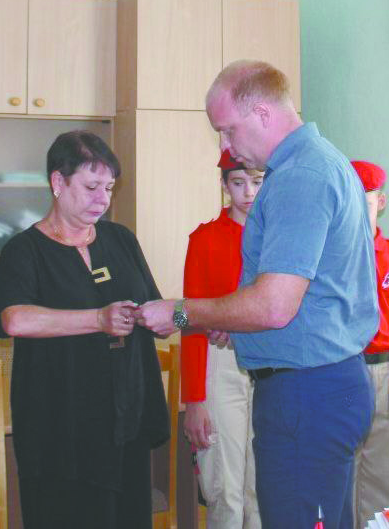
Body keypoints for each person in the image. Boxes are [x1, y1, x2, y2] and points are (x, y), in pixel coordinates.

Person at [136, 60, 378, 529]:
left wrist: (181, 313)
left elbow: (273, 305)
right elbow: (313, 295)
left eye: (227, 130)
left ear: (263, 113)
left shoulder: (300, 177)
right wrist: (238, 324)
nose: (224, 147)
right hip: (323, 385)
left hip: (307, 393)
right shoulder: (322, 162)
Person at [0, 130, 169, 529]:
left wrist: (189, 320)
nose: (102, 199)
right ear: (58, 181)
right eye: (91, 187)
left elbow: (157, 310)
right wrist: (98, 319)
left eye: (108, 188)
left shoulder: (121, 239)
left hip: (125, 421)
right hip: (60, 428)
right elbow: (14, 319)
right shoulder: (23, 250)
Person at [182, 149, 263, 529]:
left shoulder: (280, 238)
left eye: (257, 182)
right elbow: (188, 318)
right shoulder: (205, 238)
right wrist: (194, 400)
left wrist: (233, 320)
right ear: (224, 185)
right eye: (238, 182)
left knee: (261, 490)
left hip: (271, 365)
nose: (249, 192)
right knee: (225, 490)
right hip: (221, 363)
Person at [351, 160, 389, 529]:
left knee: (381, 468)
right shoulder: (333, 258)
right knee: (343, 464)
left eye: (365, 200)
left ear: (381, 202)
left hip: (386, 369)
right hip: (346, 368)